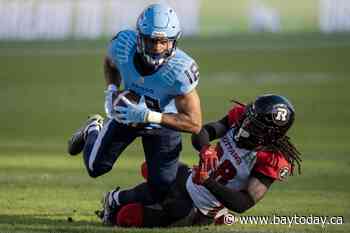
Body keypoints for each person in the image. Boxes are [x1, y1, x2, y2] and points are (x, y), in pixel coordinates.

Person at [66, 3, 202, 225]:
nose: (158, 47)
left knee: (160, 188)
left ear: (174, 40)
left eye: (164, 41)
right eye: (151, 40)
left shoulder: (180, 70)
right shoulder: (123, 45)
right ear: (140, 37)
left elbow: (195, 123)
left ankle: (115, 199)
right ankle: (93, 128)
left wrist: (150, 116)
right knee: (95, 167)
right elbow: (110, 63)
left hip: (162, 124)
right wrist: (111, 90)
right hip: (126, 114)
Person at [97, 94, 302, 227]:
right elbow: (201, 131)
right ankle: (114, 198)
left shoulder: (272, 159)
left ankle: (122, 206)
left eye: (253, 126)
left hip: (202, 207)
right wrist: (205, 149)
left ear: (269, 135)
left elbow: (243, 203)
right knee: (158, 174)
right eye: (248, 118)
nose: (244, 125)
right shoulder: (238, 119)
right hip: (189, 179)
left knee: (126, 218)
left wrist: (207, 182)